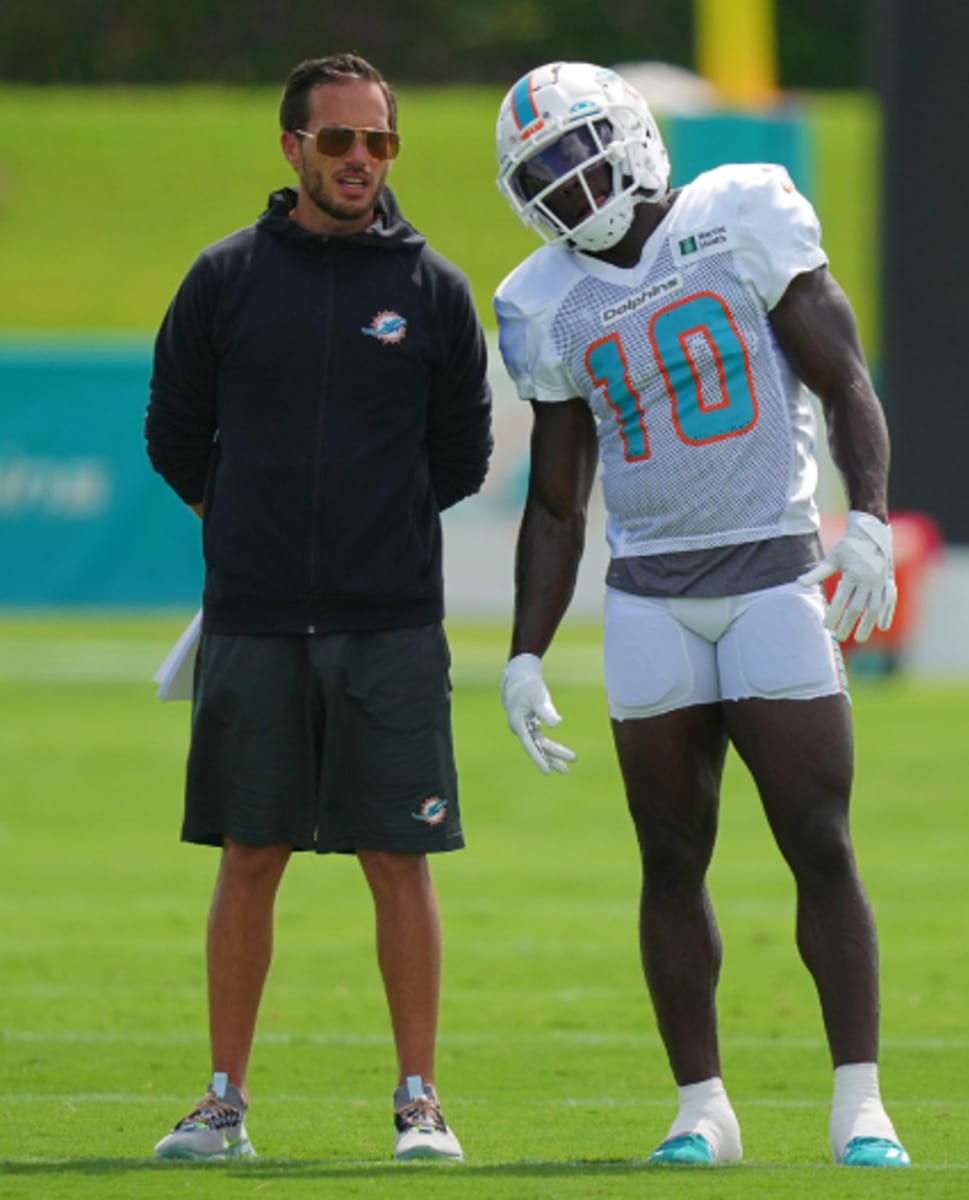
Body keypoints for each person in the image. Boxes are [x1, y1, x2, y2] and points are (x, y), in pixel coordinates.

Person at [492, 62, 910, 1169]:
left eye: (578, 149)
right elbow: (554, 499)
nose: (568, 181)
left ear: (631, 136)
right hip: (650, 598)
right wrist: (524, 654)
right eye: (541, 169)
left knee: (818, 840)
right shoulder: (541, 302)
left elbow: (845, 377)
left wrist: (866, 519)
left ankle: (860, 1104)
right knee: (668, 857)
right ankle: (702, 1111)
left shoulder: (740, 216)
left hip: (774, 571)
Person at [144, 52, 492, 1163]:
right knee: (250, 854)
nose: (357, 160)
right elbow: (173, 435)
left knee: (402, 859)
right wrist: (253, 524)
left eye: (377, 142)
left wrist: (361, 533)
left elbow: (462, 458)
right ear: (292, 146)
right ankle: (223, 1103)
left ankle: (419, 1100)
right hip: (253, 622)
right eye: (336, 140)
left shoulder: (432, 288)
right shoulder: (225, 277)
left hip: (390, 622)